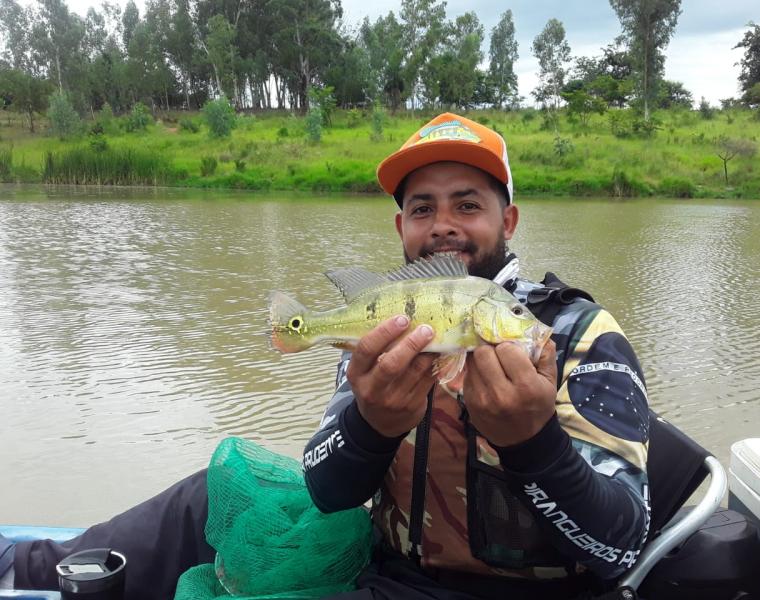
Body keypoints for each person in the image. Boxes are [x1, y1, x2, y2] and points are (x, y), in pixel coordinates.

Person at [1, 113, 650, 600]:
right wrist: (371, 425)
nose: (443, 224)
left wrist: (534, 444)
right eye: (422, 208)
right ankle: (24, 568)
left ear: (508, 222)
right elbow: (328, 489)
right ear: (402, 229)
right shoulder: (385, 334)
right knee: (211, 497)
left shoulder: (574, 334)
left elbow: (619, 551)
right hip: (391, 578)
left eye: (468, 205)